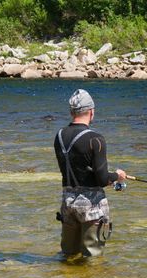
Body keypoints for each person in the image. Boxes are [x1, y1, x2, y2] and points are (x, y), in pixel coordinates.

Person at [54, 89, 126, 258]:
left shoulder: (59, 136)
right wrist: (117, 176)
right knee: (92, 259)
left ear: (72, 112)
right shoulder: (96, 139)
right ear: (91, 111)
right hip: (91, 208)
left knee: (68, 256)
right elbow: (102, 179)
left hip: (68, 202)